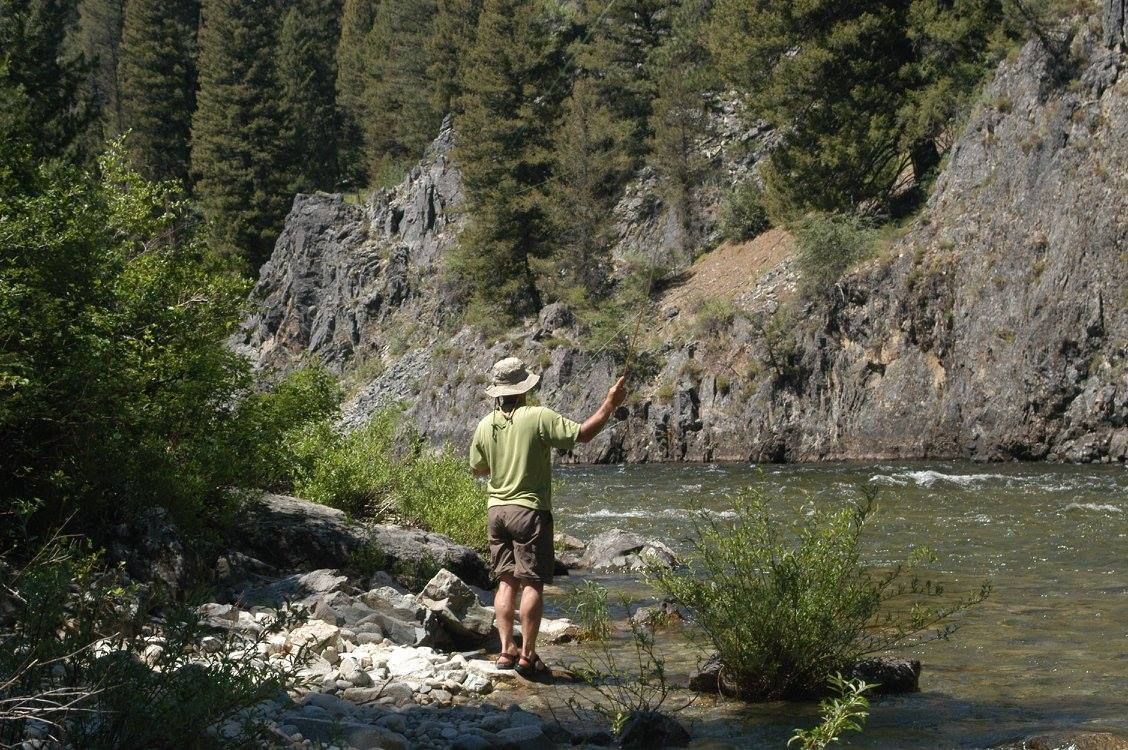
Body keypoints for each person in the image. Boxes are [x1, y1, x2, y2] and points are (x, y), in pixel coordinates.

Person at [470, 357, 626, 678]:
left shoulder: (485, 424)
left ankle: (506, 651)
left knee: (506, 581)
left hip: (496, 511)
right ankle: (527, 656)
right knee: (532, 582)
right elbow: (583, 434)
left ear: (498, 391)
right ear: (523, 388)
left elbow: (479, 469)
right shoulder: (538, 416)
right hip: (529, 511)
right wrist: (610, 404)